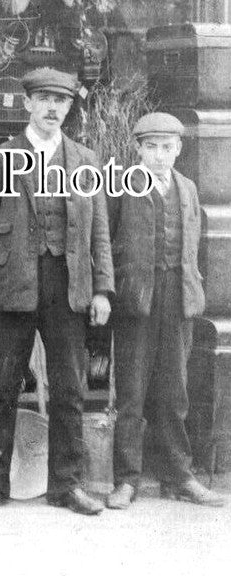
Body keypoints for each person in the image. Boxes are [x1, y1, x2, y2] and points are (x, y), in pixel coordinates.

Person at [0, 67, 114, 516]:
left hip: (69, 288)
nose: (52, 108)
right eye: (43, 99)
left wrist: (102, 289)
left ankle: (67, 485)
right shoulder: (0, 158)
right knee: (2, 386)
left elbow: (99, 231)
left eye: (60, 101)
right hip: (14, 285)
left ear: (69, 107)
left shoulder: (86, 160)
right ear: (27, 103)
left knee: (70, 388)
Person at [106, 112, 225, 509]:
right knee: (132, 393)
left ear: (179, 149)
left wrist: (193, 285)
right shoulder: (121, 186)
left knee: (175, 391)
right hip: (136, 299)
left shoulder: (188, 188)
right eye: (152, 147)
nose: (160, 156)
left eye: (168, 147)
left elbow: (196, 245)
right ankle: (126, 480)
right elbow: (103, 242)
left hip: (179, 297)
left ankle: (178, 476)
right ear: (138, 149)